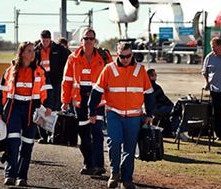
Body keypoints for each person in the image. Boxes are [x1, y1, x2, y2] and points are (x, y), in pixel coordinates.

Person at [88, 42, 155, 189]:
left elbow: (149, 94)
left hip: (134, 116)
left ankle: (127, 178)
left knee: (130, 148)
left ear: (132, 54)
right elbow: (97, 91)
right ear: (117, 55)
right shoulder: (109, 69)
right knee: (114, 143)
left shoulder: (140, 70)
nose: (125, 59)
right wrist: (91, 111)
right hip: (114, 113)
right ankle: (114, 173)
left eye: (128, 56)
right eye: (122, 56)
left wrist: (150, 113)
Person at [0, 41, 53, 186]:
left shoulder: (40, 71)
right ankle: (10, 174)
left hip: (32, 110)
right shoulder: (10, 71)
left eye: (34, 51)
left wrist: (48, 106)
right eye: (29, 51)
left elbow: (47, 91)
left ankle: (22, 177)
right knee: (13, 143)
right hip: (14, 109)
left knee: (27, 145)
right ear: (21, 53)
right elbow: (1, 92)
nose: (33, 53)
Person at [61, 28, 113, 175]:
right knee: (83, 134)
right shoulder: (73, 58)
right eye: (86, 38)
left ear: (95, 41)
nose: (88, 41)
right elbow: (67, 81)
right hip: (80, 101)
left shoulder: (104, 56)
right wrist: (65, 101)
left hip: (98, 100)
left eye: (91, 39)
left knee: (97, 132)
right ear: (81, 40)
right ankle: (88, 164)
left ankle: (99, 165)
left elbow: (113, 77)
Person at [35, 30, 70, 143]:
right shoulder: (36, 50)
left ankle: (53, 134)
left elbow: (69, 58)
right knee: (41, 108)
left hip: (55, 82)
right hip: (41, 82)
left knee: (54, 107)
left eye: (46, 40)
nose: (45, 43)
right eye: (43, 40)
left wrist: (62, 75)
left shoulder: (58, 49)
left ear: (50, 39)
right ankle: (43, 136)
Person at [202, 37, 221, 140]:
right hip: (215, 89)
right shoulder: (209, 57)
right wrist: (207, 82)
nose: (213, 50)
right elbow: (204, 72)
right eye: (212, 48)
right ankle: (219, 134)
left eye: (214, 48)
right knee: (216, 113)